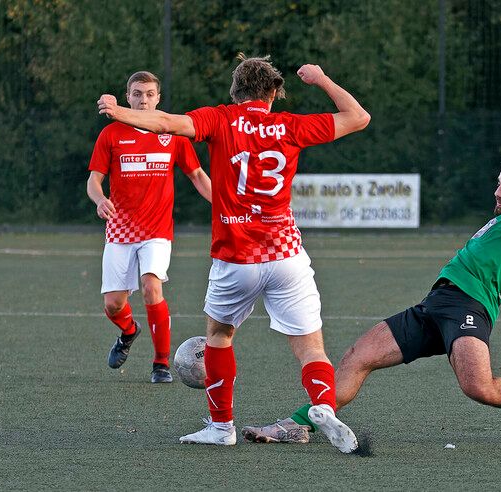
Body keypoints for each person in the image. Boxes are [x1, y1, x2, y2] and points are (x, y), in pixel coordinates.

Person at [241, 102, 501, 446]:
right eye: (499, 183)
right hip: (435, 305)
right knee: (357, 357)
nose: (498, 192)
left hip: (470, 307)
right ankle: (297, 424)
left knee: (479, 387)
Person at [97, 54, 370, 451]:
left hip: (236, 257)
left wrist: (120, 111)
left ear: (234, 91)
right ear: (274, 92)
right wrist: (323, 79)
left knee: (220, 336)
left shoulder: (220, 118)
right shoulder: (291, 125)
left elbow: (166, 123)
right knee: (311, 346)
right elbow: (358, 117)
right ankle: (324, 405)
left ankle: (221, 427)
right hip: (286, 255)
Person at [88, 70, 212, 384]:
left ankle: (161, 364)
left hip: (157, 230)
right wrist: (100, 199)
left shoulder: (172, 135)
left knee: (151, 286)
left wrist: (223, 203)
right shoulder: (111, 134)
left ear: (158, 99)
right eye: (137, 94)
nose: (143, 100)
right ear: (128, 97)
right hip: (120, 229)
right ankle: (129, 332)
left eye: (149, 95)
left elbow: (197, 175)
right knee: (113, 304)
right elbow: (93, 181)